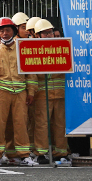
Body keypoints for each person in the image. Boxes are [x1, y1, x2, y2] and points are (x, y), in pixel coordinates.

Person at [0, 17, 36, 167]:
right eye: (1, 31)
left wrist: (31, 92)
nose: (5, 33)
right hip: (0, 92)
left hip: (21, 91)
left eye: (7, 30)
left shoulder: (22, 49)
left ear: (13, 31)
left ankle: (24, 155)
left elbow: (30, 73)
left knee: (21, 124)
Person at [26, 18, 68, 166]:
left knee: (60, 124)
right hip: (42, 94)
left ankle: (61, 152)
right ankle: (41, 153)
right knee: (42, 124)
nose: (49, 35)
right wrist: (31, 92)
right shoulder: (33, 49)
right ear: (37, 35)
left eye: (50, 32)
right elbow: (31, 75)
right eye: (45, 33)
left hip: (60, 93)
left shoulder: (62, 47)